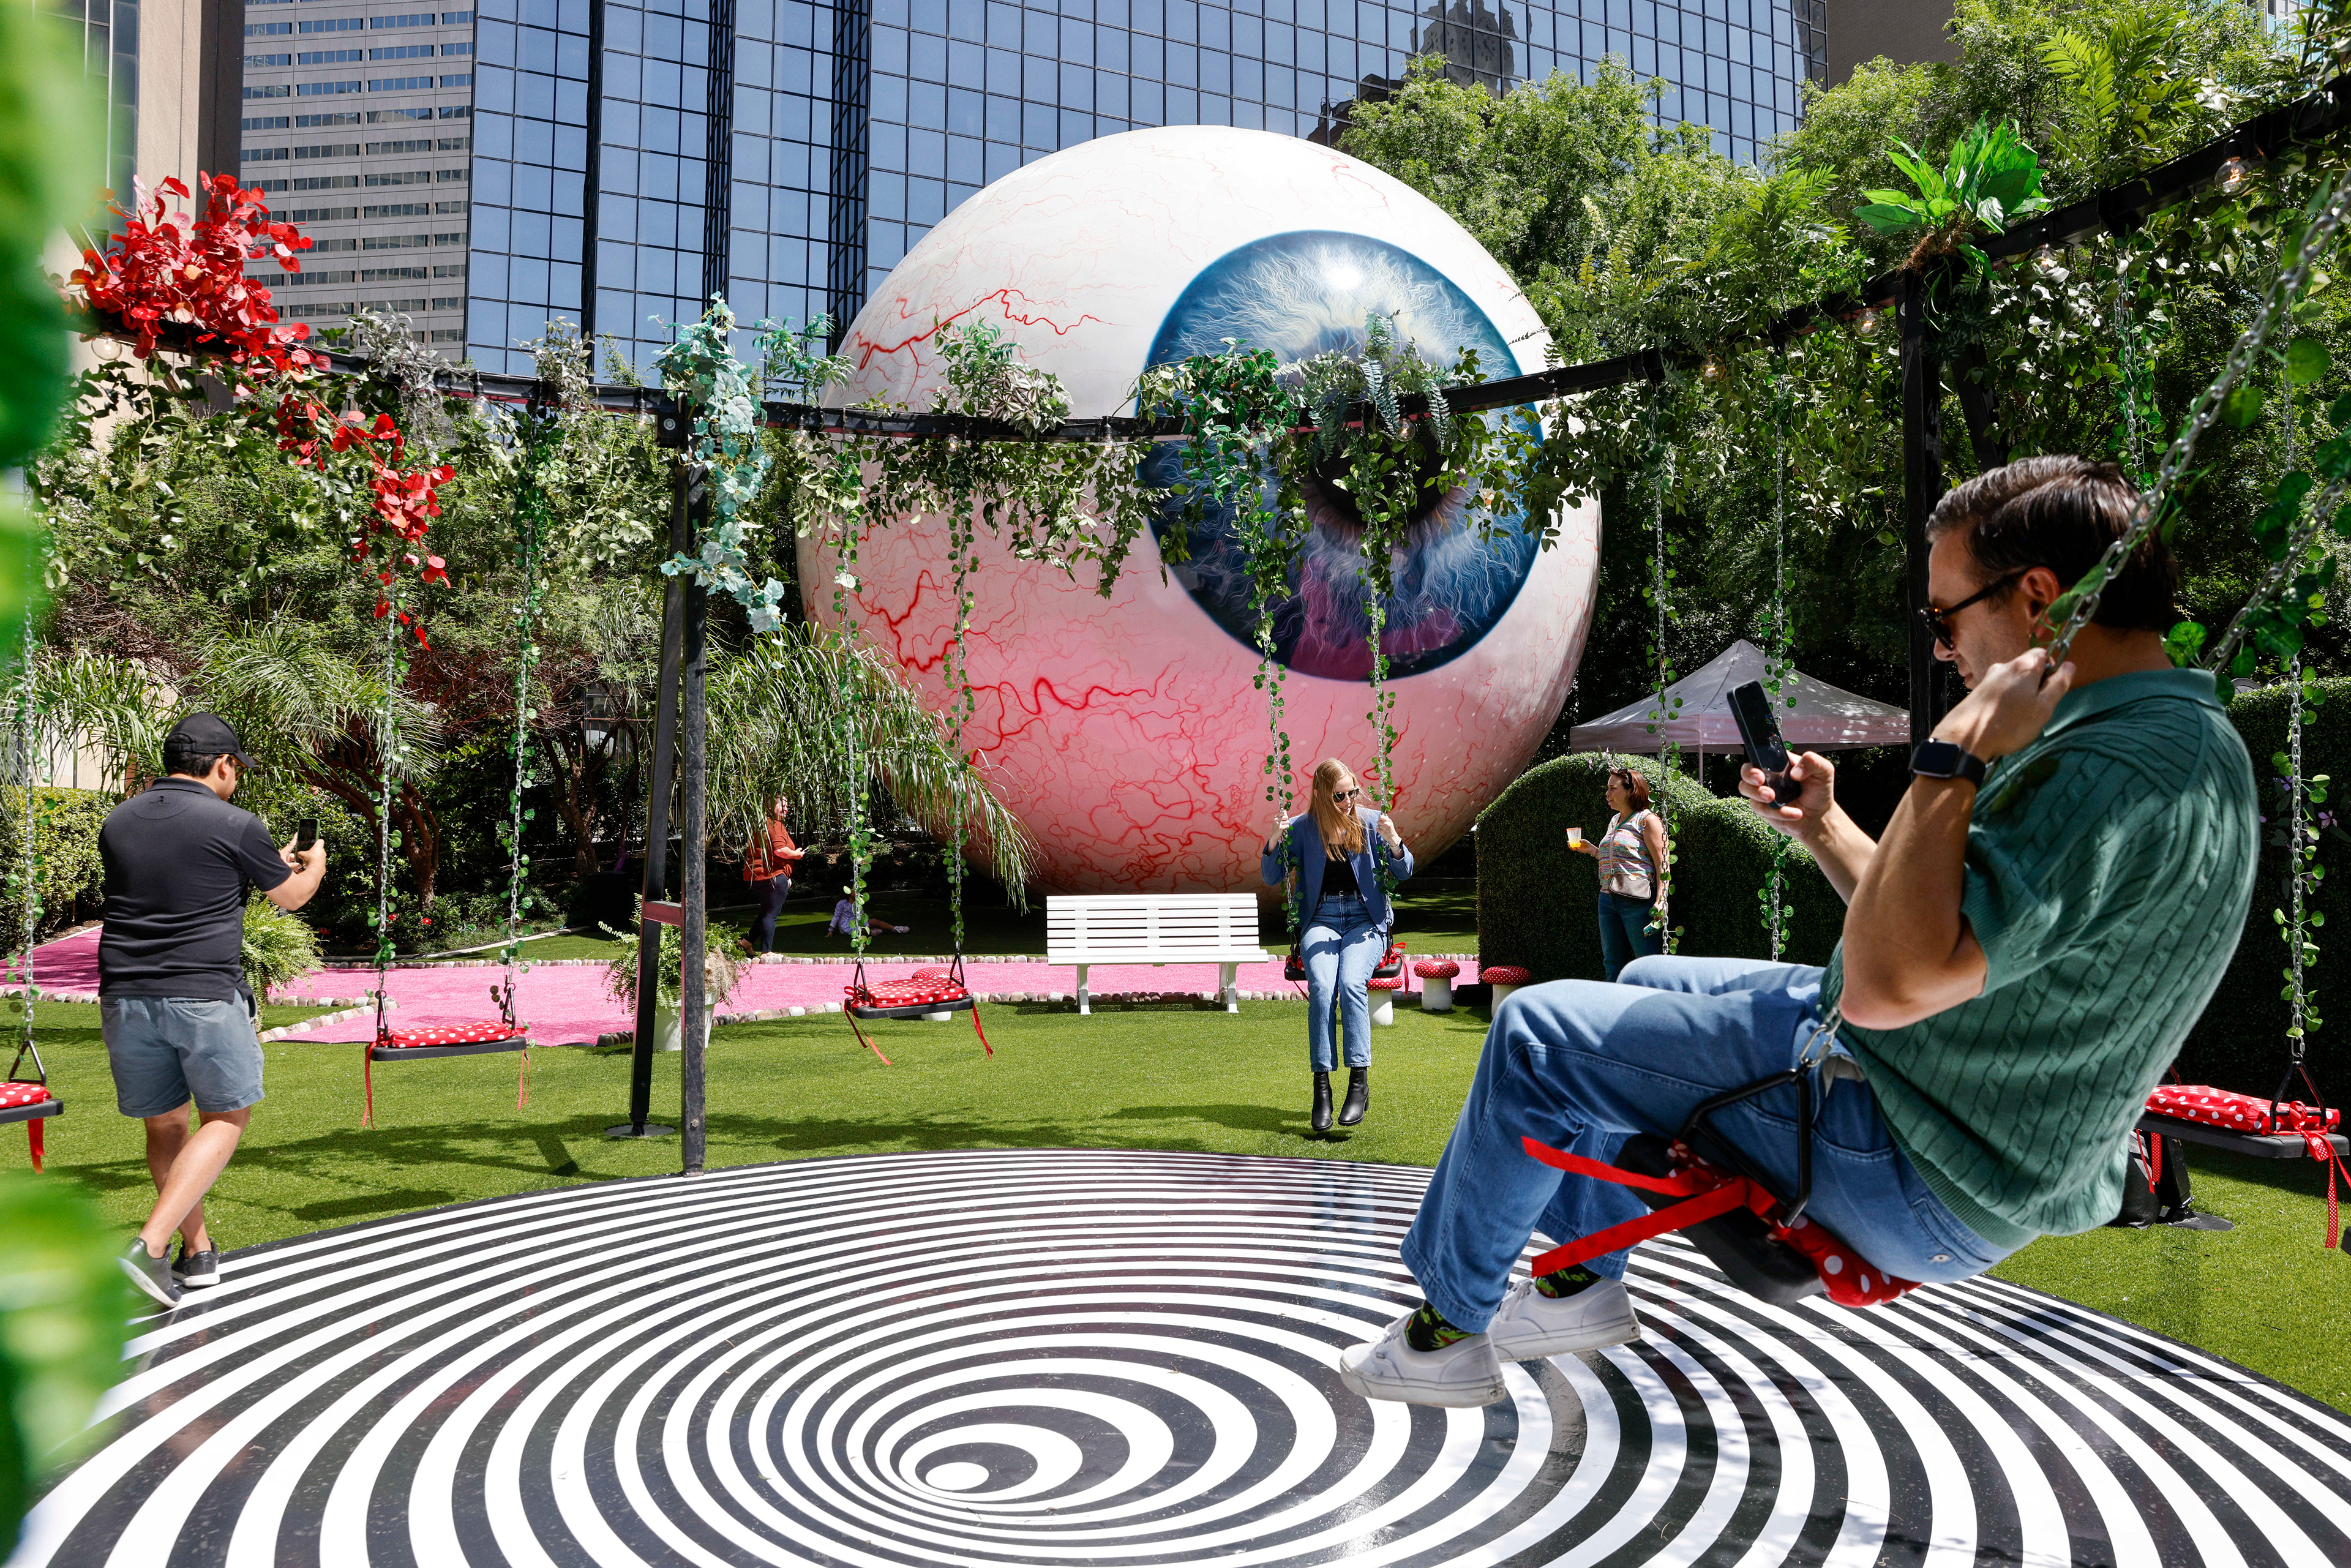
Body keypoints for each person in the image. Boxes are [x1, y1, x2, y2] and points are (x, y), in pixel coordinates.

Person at [1338, 456, 2256, 1408]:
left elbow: (1883, 986)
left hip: (1905, 1155)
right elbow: (1943, 933)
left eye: (1946, 619)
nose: (1945, 651)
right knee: (1647, 972)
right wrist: (1822, 824)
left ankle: (1445, 1330)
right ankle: (1580, 1281)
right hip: (1937, 1115)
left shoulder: (2105, 769)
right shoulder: (2178, 742)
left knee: (1536, 1034)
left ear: (2036, 599)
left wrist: (1957, 749)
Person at [100, 715, 328, 1308]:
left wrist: (259, 858)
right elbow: (291, 896)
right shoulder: (235, 823)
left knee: (165, 1124)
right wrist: (314, 866)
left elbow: (181, 880)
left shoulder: (118, 820)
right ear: (223, 764)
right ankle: (148, 1245)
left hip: (125, 994)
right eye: (236, 770)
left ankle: (196, 1252)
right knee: (227, 1116)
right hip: (202, 993)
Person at [1262, 757, 1414, 1133]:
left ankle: (1359, 1085)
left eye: (1353, 792)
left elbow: (1405, 870)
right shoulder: (1302, 828)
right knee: (1322, 987)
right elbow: (1270, 876)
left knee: (1350, 984)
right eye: (1340, 795)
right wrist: (1273, 840)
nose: (1349, 800)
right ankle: (1322, 1090)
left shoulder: (1370, 821)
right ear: (1321, 795)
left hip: (1365, 921)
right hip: (1321, 920)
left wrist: (1394, 841)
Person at [1568, 766, 1670, 980]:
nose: (1607, 793)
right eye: (1607, 788)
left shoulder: (1647, 820)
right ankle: (1615, 1008)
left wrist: (1661, 900)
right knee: (1612, 962)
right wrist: (1593, 851)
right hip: (1607, 899)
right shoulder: (1615, 821)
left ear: (1631, 790)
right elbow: (1618, 860)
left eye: (1613, 788)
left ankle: (1655, 1009)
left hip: (1638, 900)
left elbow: (1663, 863)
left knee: (1647, 962)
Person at [743, 795, 804, 955]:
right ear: (770, 807)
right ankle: (767, 953)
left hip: (756, 876)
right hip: (773, 875)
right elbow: (780, 850)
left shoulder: (760, 824)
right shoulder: (774, 824)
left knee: (767, 911)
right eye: (782, 805)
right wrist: (795, 855)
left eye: (788, 806)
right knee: (771, 914)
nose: (786, 808)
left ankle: (746, 942)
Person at [829, 895, 909, 940]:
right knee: (862, 931)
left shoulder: (858, 902)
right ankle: (870, 932)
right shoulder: (842, 903)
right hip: (847, 927)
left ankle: (895, 929)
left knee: (874, 921)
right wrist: (831, 930)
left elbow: (863, 916)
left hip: (858, 923)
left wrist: (867, 926)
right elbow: (836, 916)